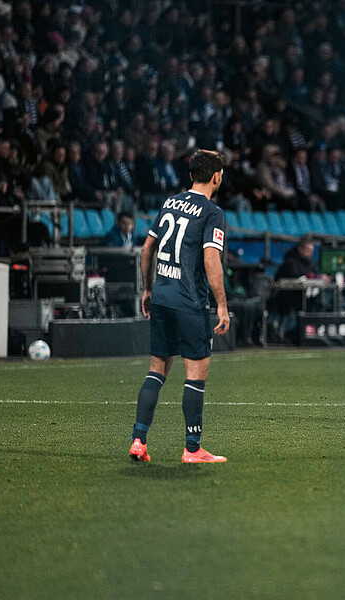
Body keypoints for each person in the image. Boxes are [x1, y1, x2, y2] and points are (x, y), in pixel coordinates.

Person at [128, 150, 230, 464]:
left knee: (156, 371)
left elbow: (147, 248)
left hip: (162, 297)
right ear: (216, 177)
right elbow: (211, 258)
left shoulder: (170, 203)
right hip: (190, 302)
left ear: (190, 175)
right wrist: (222, 306)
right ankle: (192, 448)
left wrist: (148, 289)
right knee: (195, 376)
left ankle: (138, 440)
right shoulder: (212, 212)